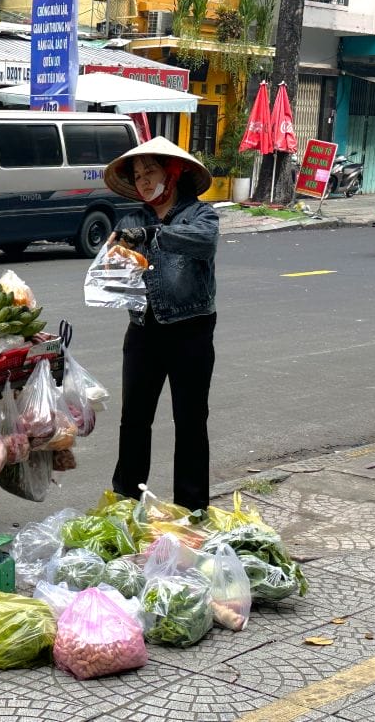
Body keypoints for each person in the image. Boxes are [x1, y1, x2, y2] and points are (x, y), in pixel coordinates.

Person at [102, 136, 219, 511]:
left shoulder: (201, 215)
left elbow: (203, 243)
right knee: (133, 420)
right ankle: (126, 501)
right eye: (137, 175)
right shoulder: (131, 219)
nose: (143, 181)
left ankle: (192, 507)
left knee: (190, 421)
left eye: (150, 171)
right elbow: (114, 273)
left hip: (191, 331)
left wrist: (152, 236)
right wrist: (112, 258)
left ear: (173, 172)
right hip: (143, 332)